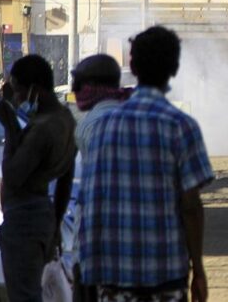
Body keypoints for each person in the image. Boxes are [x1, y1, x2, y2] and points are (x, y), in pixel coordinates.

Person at [79, 26, 214, 302]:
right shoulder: (181, 126)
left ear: (133, 65)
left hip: (113, 279)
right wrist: (198, 269)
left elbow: (92, 204)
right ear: (174, 68)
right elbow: (191, 207)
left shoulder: (102, 126)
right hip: (165, 276)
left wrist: (88, 275)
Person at [0, 55, 77, 301]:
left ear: (35, 90)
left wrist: (10, 126)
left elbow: (13, 175)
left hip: (24, 222)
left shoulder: (43, 129)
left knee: (24, 295)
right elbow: (66, 179)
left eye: (18, 91)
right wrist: (56, 224)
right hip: (42, 216)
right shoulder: (65, 120)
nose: (17, 98)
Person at [70, 54, 130, 302]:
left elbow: (99, 193)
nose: (75, 92)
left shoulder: (95, 123)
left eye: (79, 84)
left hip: (97, 251)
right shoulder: (126, 114)